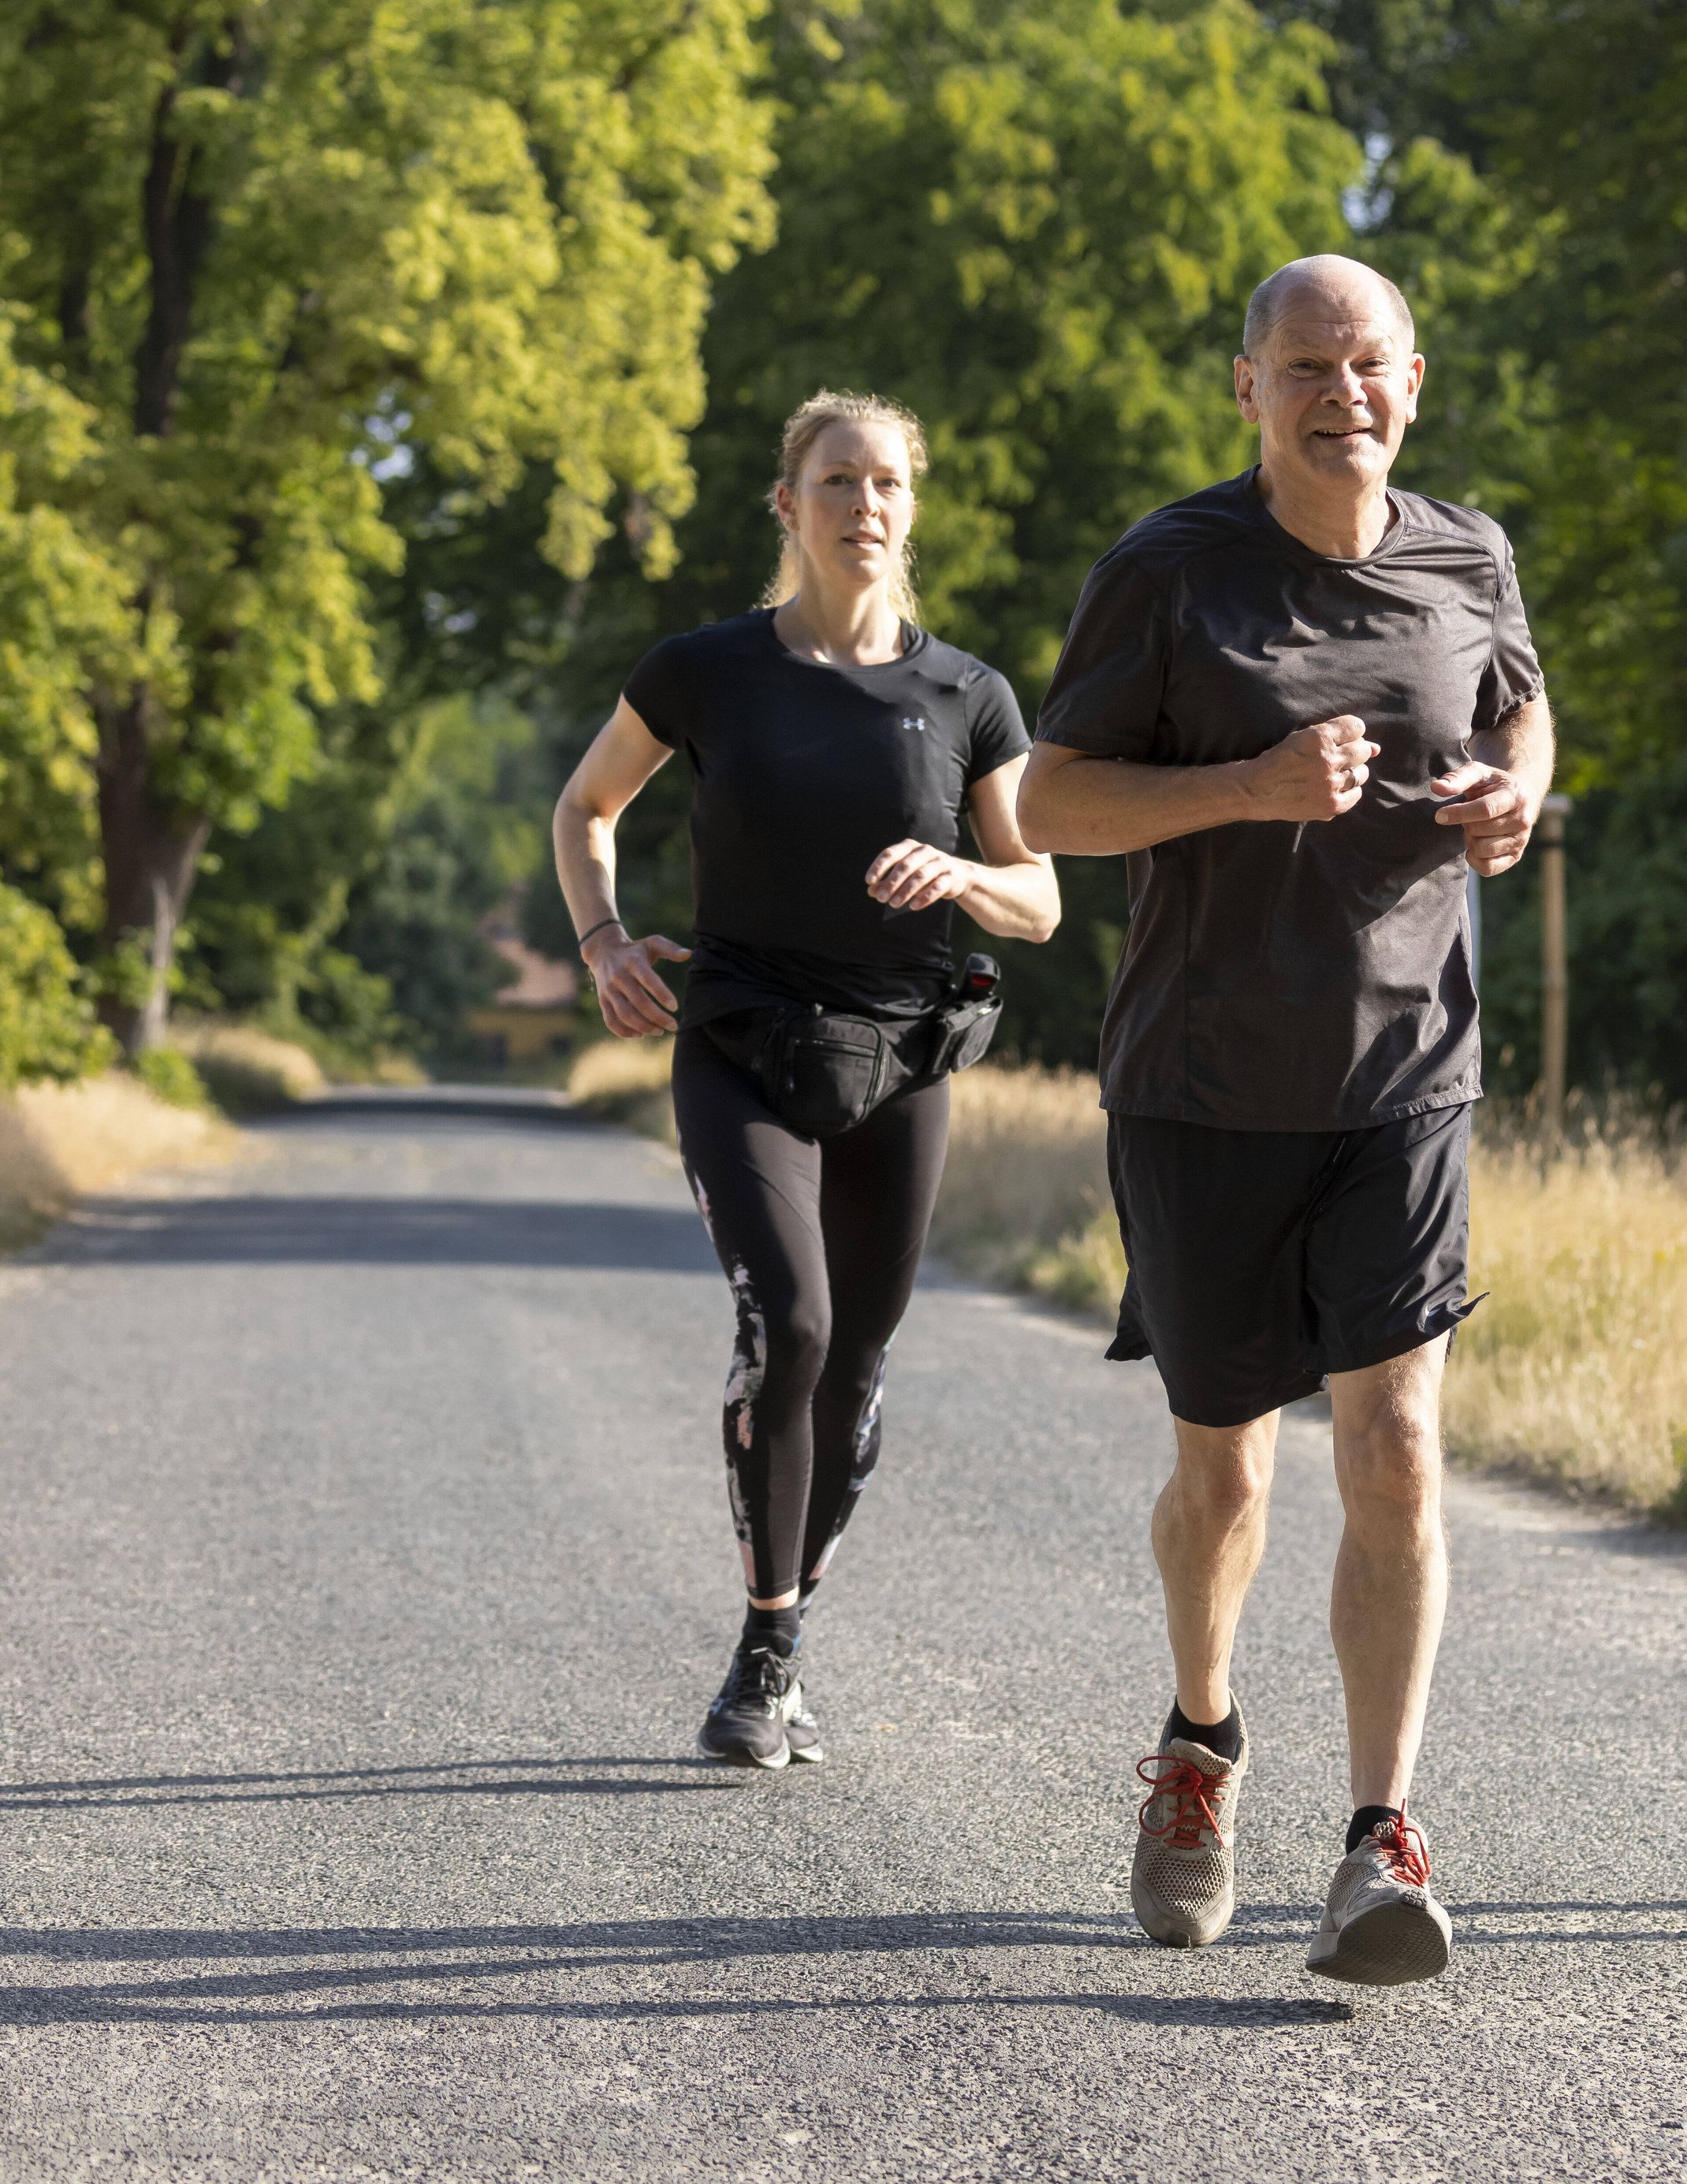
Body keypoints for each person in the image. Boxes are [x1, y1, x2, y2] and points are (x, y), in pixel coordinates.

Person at [1019, 255, 1550, 1986]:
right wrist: (1247, 787)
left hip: (1407, 1072)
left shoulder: (1467, 554)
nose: (1343, 394)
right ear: (1248, 388)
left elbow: (1520, 703)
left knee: (1394, 1445)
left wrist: (1516, 794)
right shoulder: (1169, 570)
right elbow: (1048, 802)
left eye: (1368, 364)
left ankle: (1380, 1836)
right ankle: (1200, 1740)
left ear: (1415, 378)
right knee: (1227, 1468)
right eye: (1307, 367)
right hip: (1203, 1083)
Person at [554, 390, 1061, 1769]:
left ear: (912, 505)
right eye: (838, 480)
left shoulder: (968, 696)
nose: (864, 505)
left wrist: (961, 870)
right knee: (791, 1324)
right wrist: (603, 942)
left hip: (902, 1057)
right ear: (789, 504)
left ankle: (789, 1630)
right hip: (742, 1041)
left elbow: (1039, 900)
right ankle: (764, 1650)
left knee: (860, 1358)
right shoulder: (706, 671)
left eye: (887, 481)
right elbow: (588, 805)